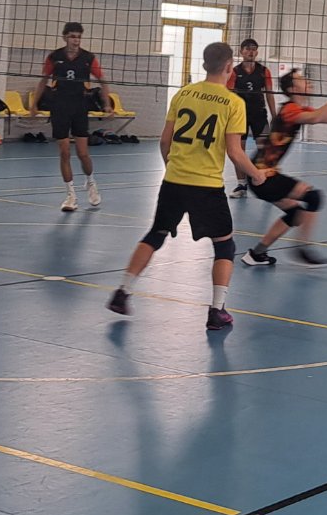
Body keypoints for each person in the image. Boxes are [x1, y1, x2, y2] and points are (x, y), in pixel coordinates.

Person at [106, 41, 269, 330]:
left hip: (174, 180)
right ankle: (217, 311)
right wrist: (256, 175)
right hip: (206, 185)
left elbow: (164, 141)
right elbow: (235, 152)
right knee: (224, 245)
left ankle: (123, 291)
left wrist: (172, 167)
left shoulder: (183, 93)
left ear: (204, 64)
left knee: (155, 234)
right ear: (229, 67)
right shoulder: (234, 103)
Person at [240, 70, 327, 268]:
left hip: (265, 174)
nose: (308, 80)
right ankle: (302, 249)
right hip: (261, 175)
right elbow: (315, 118)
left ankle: (256, 254)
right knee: (313, 197)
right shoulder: (290, 110)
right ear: (293, 89)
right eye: (302, 79)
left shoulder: (299, 109)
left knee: (295, 213)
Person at [33, 22, 115, 212]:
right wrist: (34, 104)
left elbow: (103, 81)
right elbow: (43, 81)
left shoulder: (88, 58)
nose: (76, 40)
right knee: (64, 153)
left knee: (83, 154)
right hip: (59, 107)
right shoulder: (54, 57)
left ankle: (90, 181)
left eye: (78, 37)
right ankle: (70, 195)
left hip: (80, 107)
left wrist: (107, 104)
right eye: (72, 36)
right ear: (64, 37)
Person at [226, 38, 276, 198]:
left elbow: (269, 94)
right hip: (239, 116)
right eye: (247, 49)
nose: (250, 52)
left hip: (259, 115)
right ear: (241, 52)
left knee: (265, 150)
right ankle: (242, 185)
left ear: (257, 52)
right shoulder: (234, 72)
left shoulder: (264, 71)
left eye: (253, 49)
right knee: (238, 150)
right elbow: (229, 96)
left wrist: (275, 116)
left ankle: (268, 183)